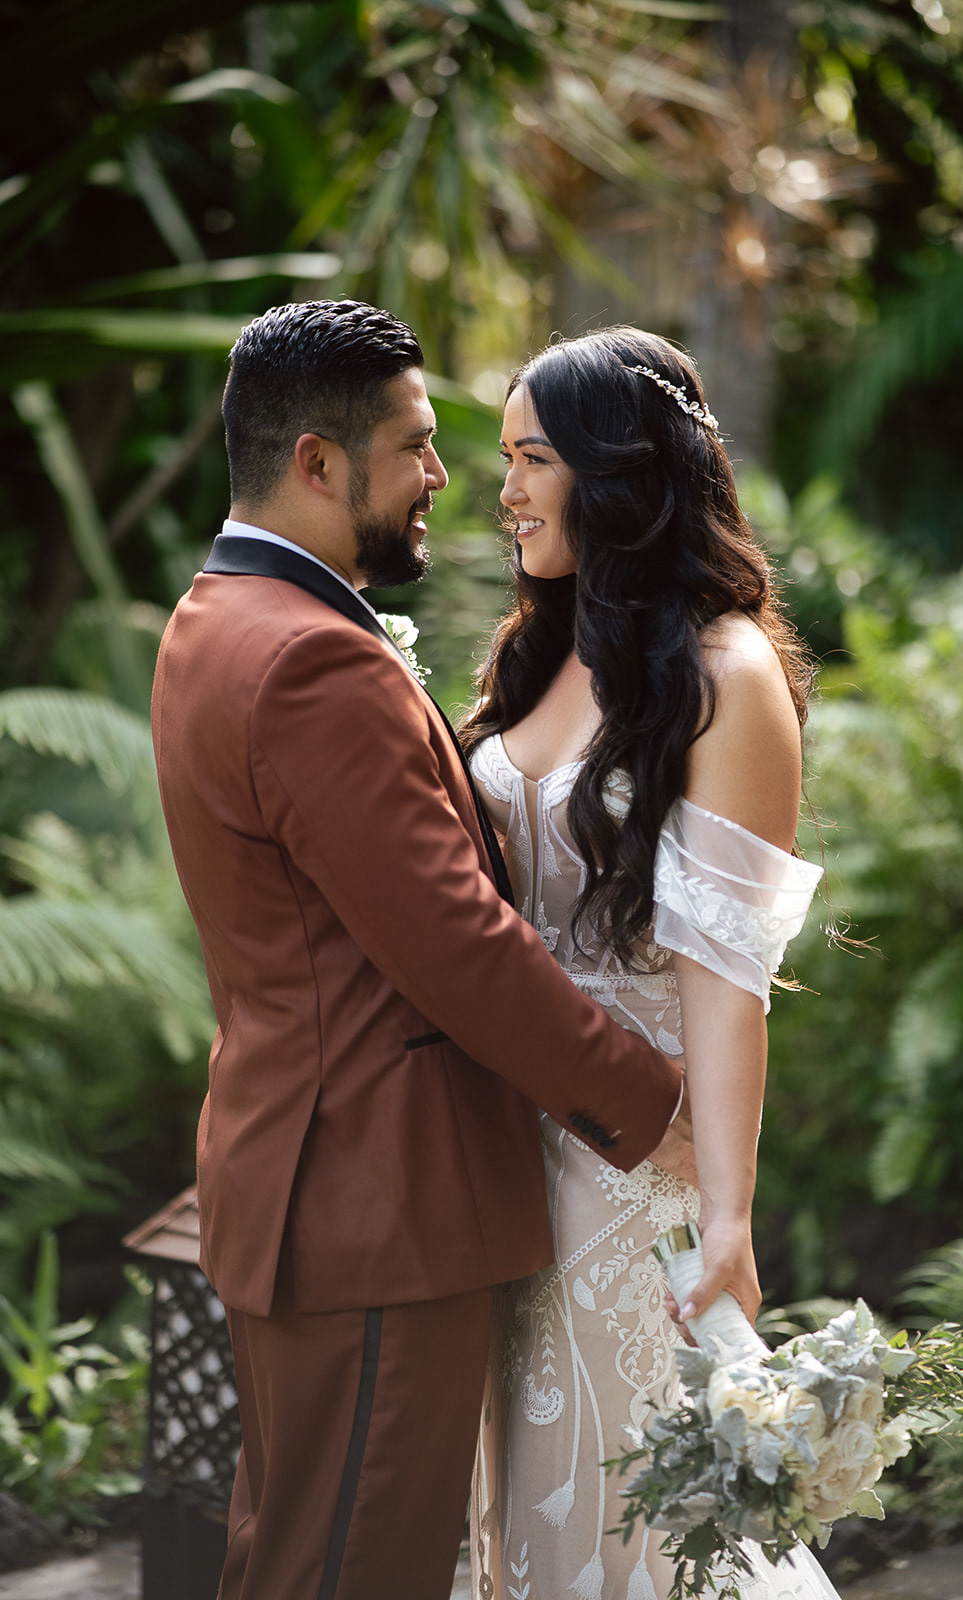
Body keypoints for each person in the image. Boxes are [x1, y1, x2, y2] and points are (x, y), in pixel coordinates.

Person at [150, 300, 685, 1600]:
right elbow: (454, 944)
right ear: (317, 465)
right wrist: (651, 1101)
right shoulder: (306, 664)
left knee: (290, 1561)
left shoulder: (214, 619)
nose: (445, 477)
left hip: (305, 1187)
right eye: (416, 444)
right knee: (352, 1576)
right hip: (373, 1206)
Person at [463, 328, 838, 1599]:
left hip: (633, 1176)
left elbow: (723, 977)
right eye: (500, 459)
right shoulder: (535, 650)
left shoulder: (723, 675)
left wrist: (726, 1216)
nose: (503, 491)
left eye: (529, 459)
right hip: (485, 1160)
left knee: (641, 1523)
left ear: (617, 472)